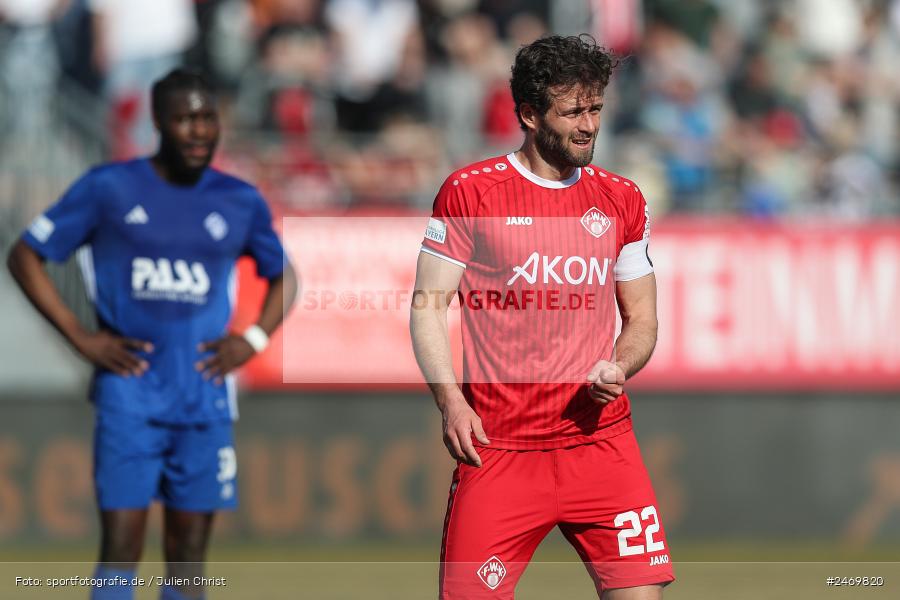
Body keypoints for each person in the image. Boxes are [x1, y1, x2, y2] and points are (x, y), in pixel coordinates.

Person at [7, 69, 297, 600]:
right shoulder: (109, 188)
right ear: (158, 122)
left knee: (188, 560)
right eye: (186, 118)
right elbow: (25, 254)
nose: (199, 130)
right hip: (129, 395)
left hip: (204, 397)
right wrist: (79, 337)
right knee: (121, 548)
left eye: (208, 118)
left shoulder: (239, 199)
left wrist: (253, 339)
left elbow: (285, 275)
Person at [410, 35, 673, 599]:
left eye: (595, 108)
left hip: (600, 444)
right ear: (529, 115)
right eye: (572, 111)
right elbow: (428, 305)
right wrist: (451, 401)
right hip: (499, 450)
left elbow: (643, 321)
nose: (588, 125)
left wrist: (620, 366)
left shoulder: (622, 199)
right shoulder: (470, 193)